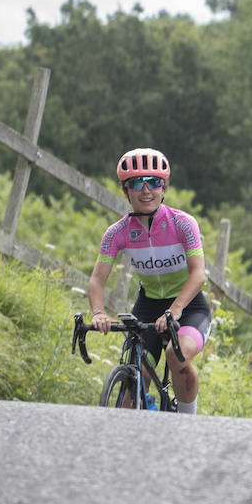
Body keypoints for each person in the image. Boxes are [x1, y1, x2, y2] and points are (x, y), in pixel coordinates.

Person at [86, 148, 211, 414]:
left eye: (154, 182)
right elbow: (97, 280)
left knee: (176, 356)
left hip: (188, 308)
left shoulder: (183, 224)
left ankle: (186, 425)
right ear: (125, 190)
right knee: (136, 372)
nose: (146, 190)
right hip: (148, 306)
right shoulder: (117, 233)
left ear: (163, 187)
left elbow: (198, 274)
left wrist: (175, 309)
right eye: (136, 183)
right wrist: (98, 312)